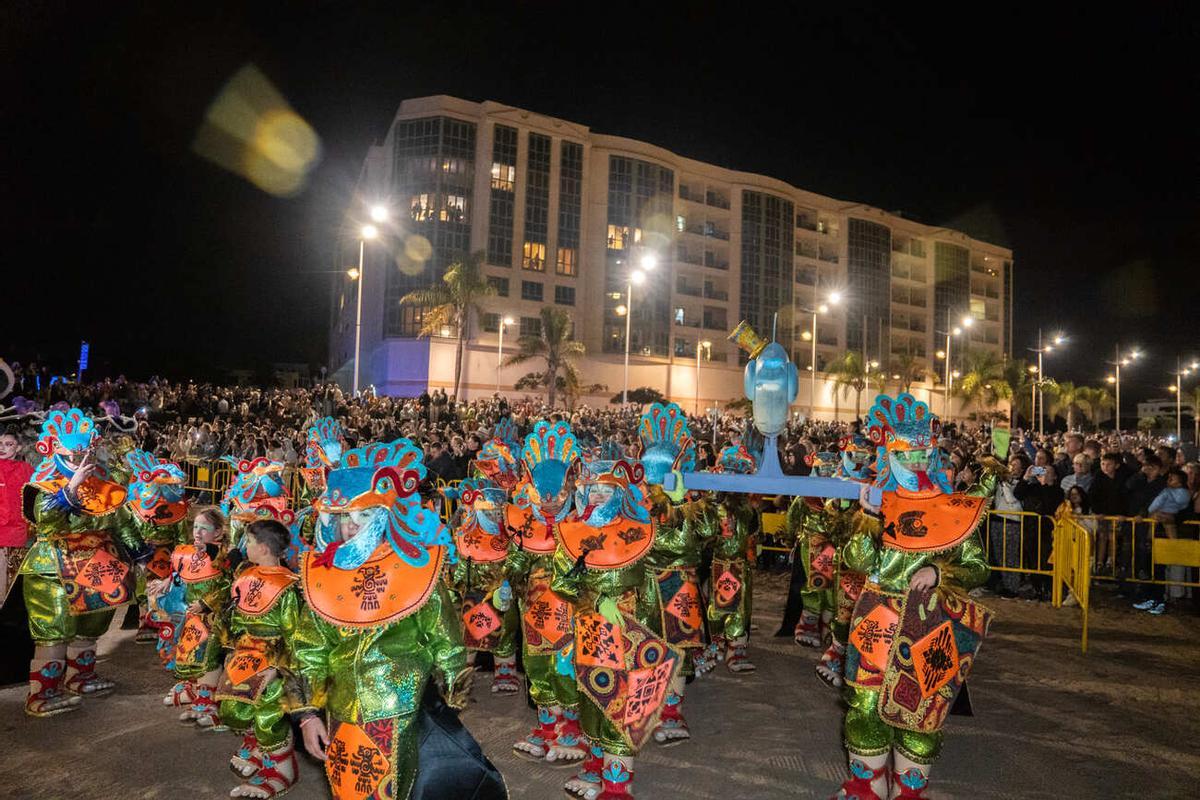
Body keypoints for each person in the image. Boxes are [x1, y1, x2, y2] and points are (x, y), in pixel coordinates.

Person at [833, 393, 994, 800]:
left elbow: (979, 568)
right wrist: (868, 519)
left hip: (930, 624)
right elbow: (856, 561)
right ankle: (866, 786)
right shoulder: (876, 505)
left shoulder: (956, 509)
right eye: (907, 455)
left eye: (925, 454)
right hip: (877, 620)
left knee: (920, 713)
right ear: (887, 456)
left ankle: (908, 792)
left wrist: (940, 571)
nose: (918, 463)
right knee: (865, 705)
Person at [292, 437, 470, 800]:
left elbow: (447, 643)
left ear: (386, 516)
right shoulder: (325, 573)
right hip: (341, 712)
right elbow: (308, 649)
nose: (351, 526)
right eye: (344, 517)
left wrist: (449, 706)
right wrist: (307, 716)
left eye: (364, 515)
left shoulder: (418, 570)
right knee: (348, 790)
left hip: (403, 710)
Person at [22, 409, 144, 717]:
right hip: (53, 566)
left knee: (92, 625)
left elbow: (121, 520)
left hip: (97, 563)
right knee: (55, 629)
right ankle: (43, 693)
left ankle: (80, 676)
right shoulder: (45, 486)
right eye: (73, 453)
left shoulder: (102, 484)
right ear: (56, 451)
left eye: (85, 452)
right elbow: (46, 522)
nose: (80, 458)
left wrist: (142, 555)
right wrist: (70, 488)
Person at [216, 519, 305, 798]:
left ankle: (282, 770)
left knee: (269, 713)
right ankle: (256, 746)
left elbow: (295, 636)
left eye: (249, 542)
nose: (245, 546)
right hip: (245, 655)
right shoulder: (247, 575)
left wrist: (278, 669)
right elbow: (235, 617)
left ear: (264, 548)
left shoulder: (288, 588)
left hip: (273, 660)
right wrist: (231, 649)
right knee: (237, 708)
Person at [0, 430, 33, 604]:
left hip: (19, 531)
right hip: (1, 530)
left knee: (16, 580)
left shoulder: (26, 470)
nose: (2, 448)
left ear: (19, 447)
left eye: (8, 444)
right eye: (0, 444)